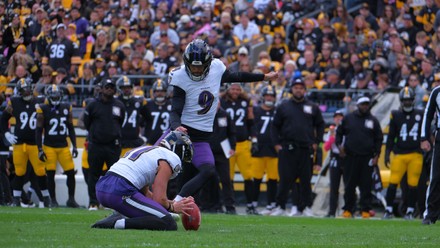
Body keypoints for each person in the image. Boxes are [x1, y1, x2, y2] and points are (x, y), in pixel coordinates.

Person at [168, 39, 278, 204]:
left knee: (209, 171)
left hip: (201, 137)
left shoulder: (216, 68)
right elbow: (175, 110)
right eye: (193, 66)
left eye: (200, 66)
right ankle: (142, 199)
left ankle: (176, 202)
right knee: (156, 164)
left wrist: (263, 77)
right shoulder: (180, 76)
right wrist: (177, 127)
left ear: (208, 63)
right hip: (181, 134)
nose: (196, 70)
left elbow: (237, 76)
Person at [91, 131, 194, 230]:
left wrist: (166, 203)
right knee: (168, 223)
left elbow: (146, 194)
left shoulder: (148, 150)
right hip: (120, 190)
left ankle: (119, 216)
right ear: (180, 150)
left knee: (156, 214)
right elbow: (159, 199)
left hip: (103, 187)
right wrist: (172, 207)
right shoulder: (170, 158)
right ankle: (116, 223)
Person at [270, 78, 325, 217]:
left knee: (306, 180)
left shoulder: (313, 107)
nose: (298, 90)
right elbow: (275, 126)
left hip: (306, 149)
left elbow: (320, 125)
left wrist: (317, 141)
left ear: (305, 90)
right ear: (291, 90)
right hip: (287, 148)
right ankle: (280, 206)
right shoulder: (283, 106)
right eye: (296, 87)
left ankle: (306, 207)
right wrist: (276, 144)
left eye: (301, 87)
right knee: (285, 179)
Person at [0, 78, 50, 207]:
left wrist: (45, 135)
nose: (26, 92)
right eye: (23, 90)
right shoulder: (15, 102)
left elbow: (48, 119)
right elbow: (3, 118)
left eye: (27, 89)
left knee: (40, 171)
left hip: (34, 143)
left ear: (31, 88)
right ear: (19, 91)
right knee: (19, 171)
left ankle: (46, 198)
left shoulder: (40, 101)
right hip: (19, 143)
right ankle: (16, 199)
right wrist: (6, 133)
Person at [336, 96, 383, 218]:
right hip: (350, 157)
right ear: (358, 105)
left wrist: (377, 155)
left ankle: (365, 210)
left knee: (366, 185)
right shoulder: (348, 118)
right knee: (349, 185)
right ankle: (348, 209)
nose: (365, 106)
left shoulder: (373, 120)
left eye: (367, 104)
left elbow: (379, 139)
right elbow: (339, 133)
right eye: (363, 104)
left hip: (367, 157)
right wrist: (339, 147)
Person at [83, 78, 126, 210]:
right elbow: (87, 123)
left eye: (111, 87)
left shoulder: (119, 105)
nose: (109, 89)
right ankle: (93, 202)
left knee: (113, 175)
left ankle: (111, 202)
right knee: (93, 174)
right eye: (106, 87)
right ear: (101, 89)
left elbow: (121, 122)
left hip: (113, 146)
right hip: (96, 145)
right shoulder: (92, 105)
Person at [382, 87, 424, 220]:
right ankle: (388, 210)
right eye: (405, 100)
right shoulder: (395, 114)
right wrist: (387, 152)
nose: (407, 102)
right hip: (399, 153)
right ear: (401, 101)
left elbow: (426, 133)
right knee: (393, 182)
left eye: (409, 100)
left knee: (413, 183)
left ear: (413, 100)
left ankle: (410, 211)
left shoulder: (420, 113)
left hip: (415, 154)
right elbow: (391, 135)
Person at [36, 84, 80, 208]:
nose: (55, 98)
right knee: (50, 174)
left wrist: (75, 146)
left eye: (57, 96)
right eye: (53, 96)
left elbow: (71, 129)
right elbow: (38, 131)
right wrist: (39, 149)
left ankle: (71, 199)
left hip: (63, 146)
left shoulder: (66, 107)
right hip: (49, 146)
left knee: (71, 172)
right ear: (48, 96)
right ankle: (53, 200)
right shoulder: (42, 108)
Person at [220, 83, 257, 214]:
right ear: (228, 89)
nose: (235, 91)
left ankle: (250, 205)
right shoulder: (221, 101)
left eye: (237, 89)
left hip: (242, 143)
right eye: (233, 89)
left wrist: (254, 138)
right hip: (227, 144)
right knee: (227, 177)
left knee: (248, 175)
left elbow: (251, 122)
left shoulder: (246, 102)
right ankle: (229, 205)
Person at [251, 85, 279, 215]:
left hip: (273, 149)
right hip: (259, 149)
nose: (269, 98)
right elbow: (251, 126)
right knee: (256, 178)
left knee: (273, 179)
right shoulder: (256, 110)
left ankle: (271, 204)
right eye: (267, 95)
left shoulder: (278, 111)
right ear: (263, 97)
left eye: (271, 96)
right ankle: (253, 204)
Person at [116, 76, 150, 156]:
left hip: (134, 141)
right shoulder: (115, 102)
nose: (126, 90)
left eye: (128, 87)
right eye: (124, 88)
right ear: (119, 88)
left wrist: (144, 134)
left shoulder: (138, 102)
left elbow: (148, 119)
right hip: (119, 141)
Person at [421, 83, 440, 225]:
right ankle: (430, 214)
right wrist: (424, 137)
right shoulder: (436, 92)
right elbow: (428, 114)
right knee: (436, 176)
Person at [323, 110, 344, 218]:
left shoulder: (347, 129)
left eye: (340, 117)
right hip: (335, 158)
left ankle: (349, 210)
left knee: (349, 186)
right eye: (337, 117)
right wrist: (332, 136)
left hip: (346, 158)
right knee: (334, 186)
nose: (338, 119)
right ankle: (332, 211)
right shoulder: (331, 131)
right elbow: (326, 148)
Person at [144, 79, 171, 145]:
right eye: (157, 91)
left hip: (167, 143)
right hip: (150, 142)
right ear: (153, 92)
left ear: (166, 92)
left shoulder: (171, 105)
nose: (159, 93)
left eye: (162, 91)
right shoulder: (147, 105)